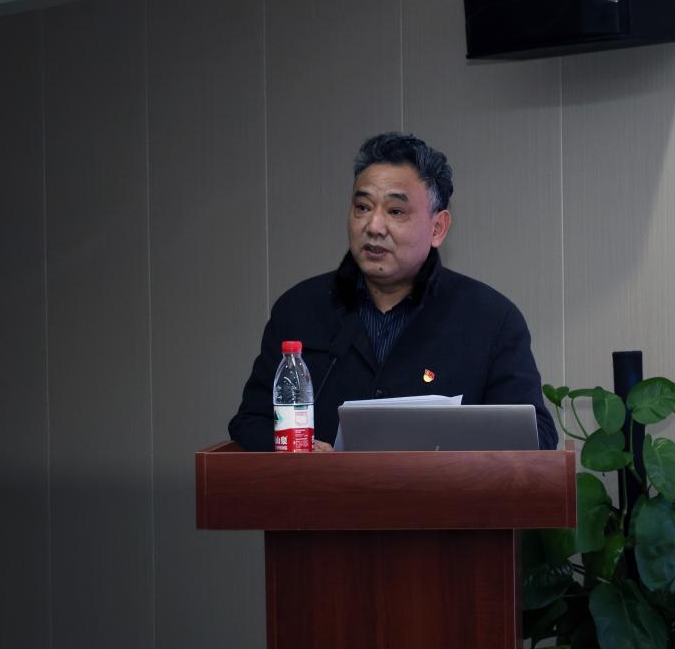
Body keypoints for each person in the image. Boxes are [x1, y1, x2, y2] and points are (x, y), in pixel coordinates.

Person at [228, 131, 558, 452]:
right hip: (319, 490)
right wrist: (301, 453)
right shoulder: (300, 309)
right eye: (362, 207)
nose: (373, 226)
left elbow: (536, 436)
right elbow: (251, 421)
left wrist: (453, 454)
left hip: (442, 490)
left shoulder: (490, 319)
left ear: (438, 227)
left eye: (395, 211)